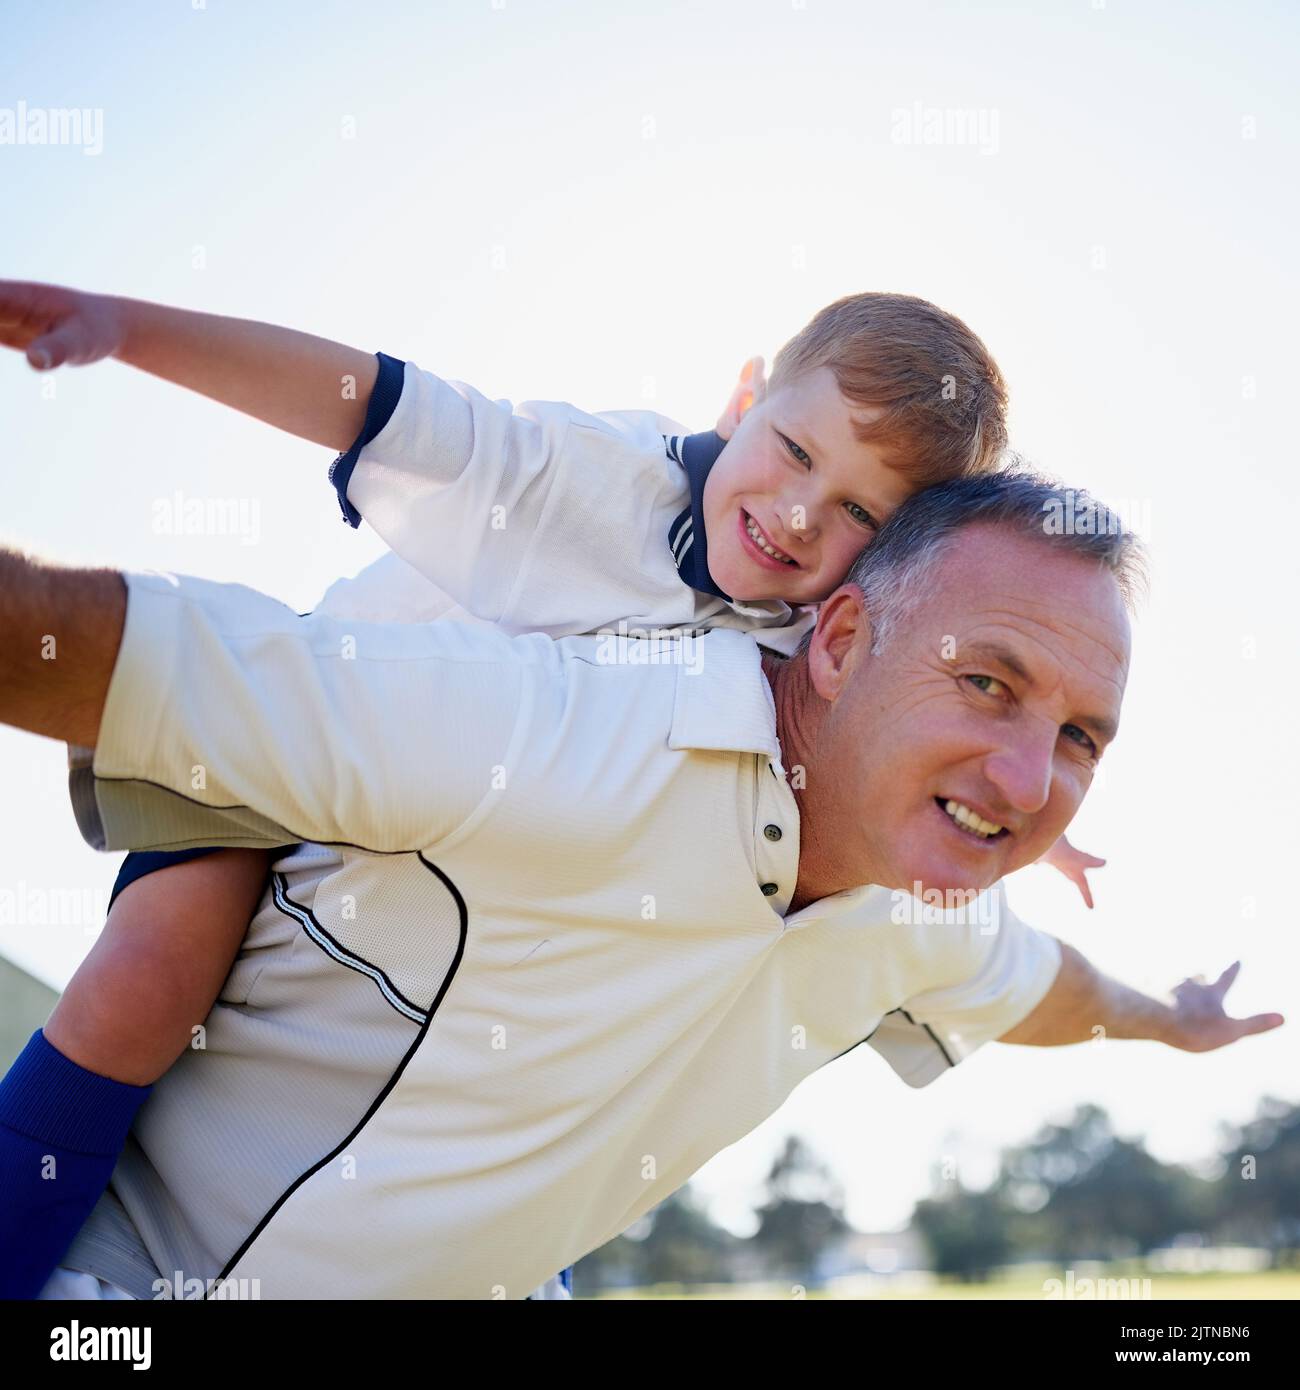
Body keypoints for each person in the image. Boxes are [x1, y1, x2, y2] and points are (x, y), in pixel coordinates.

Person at [0, 280, 1093, 1296]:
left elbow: (928, 739)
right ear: (745, 394)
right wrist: (123, 329)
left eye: (860, 513)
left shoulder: (814, 628)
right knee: (149, 983)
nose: (805, 515)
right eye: (794, 449)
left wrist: (1021, 822)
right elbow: (363, 398)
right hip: (292, 743)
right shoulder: (587, 477)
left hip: (470, 860)